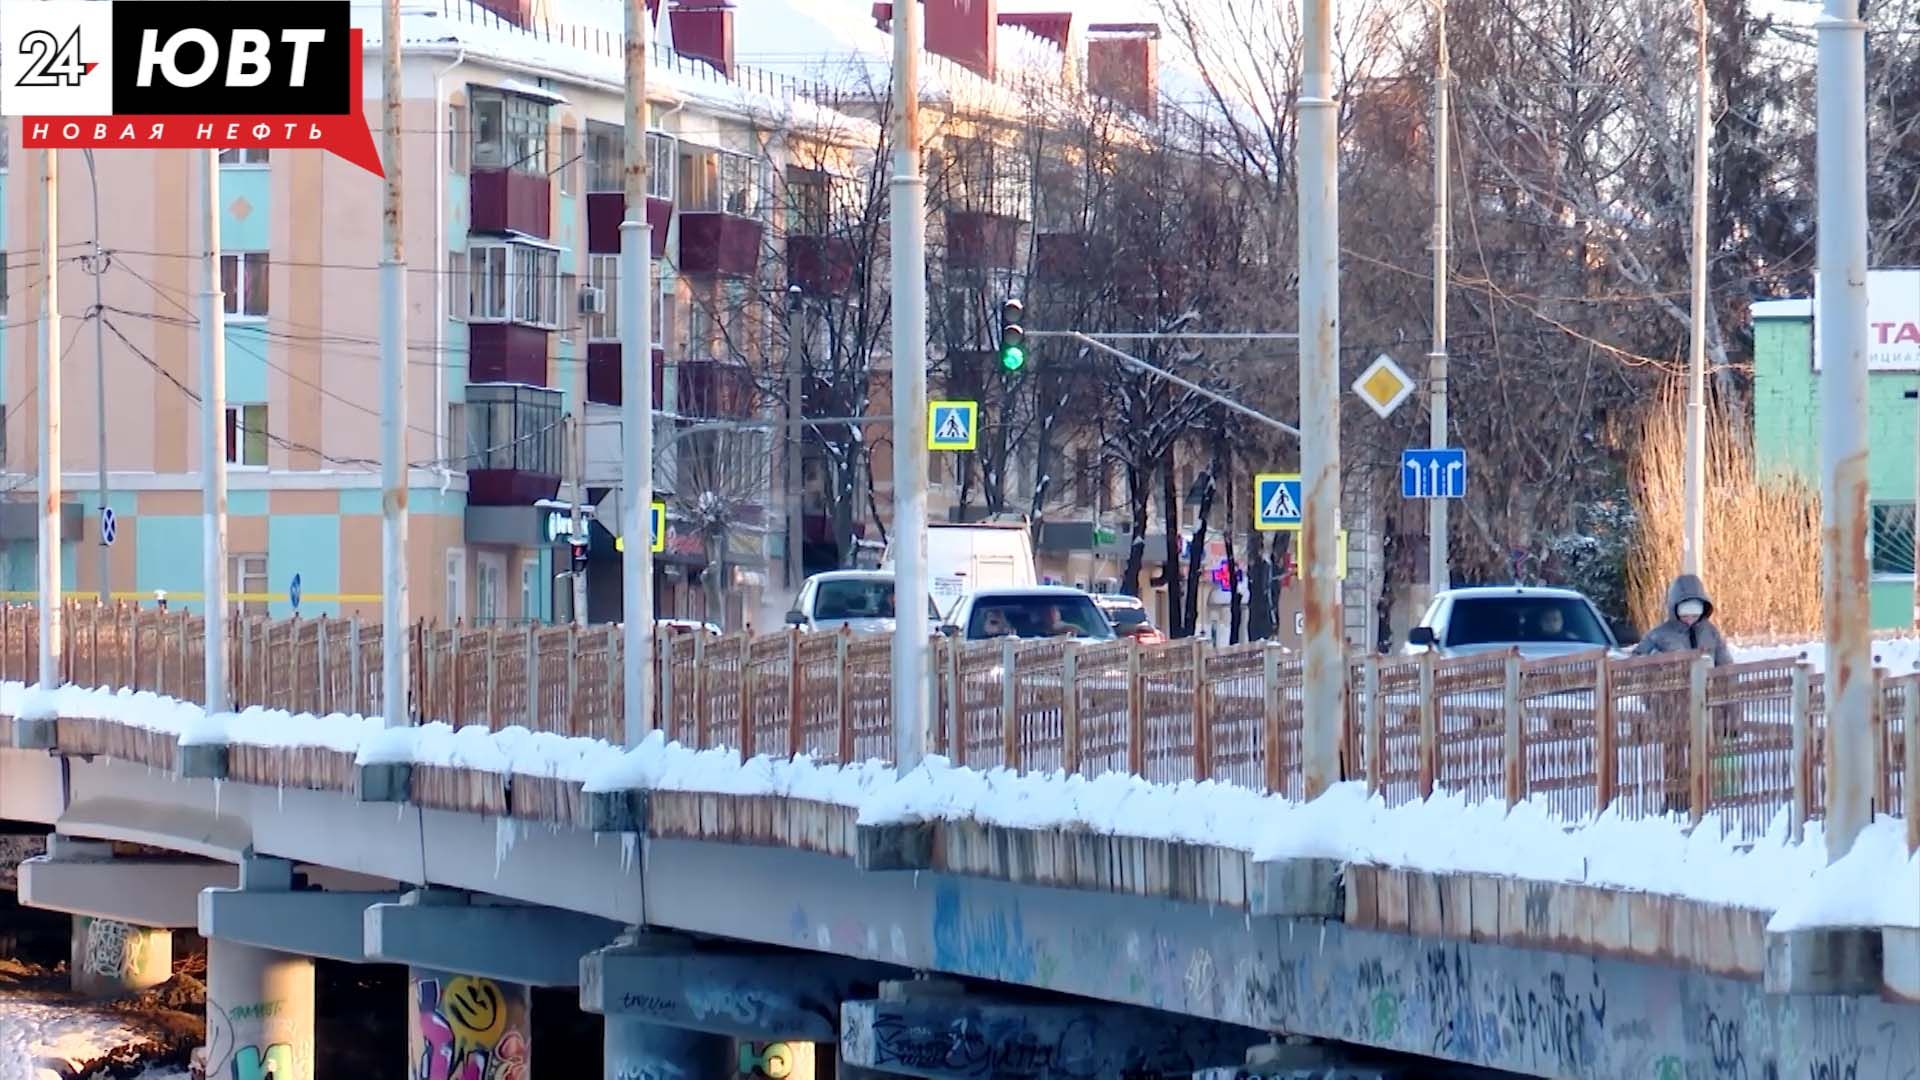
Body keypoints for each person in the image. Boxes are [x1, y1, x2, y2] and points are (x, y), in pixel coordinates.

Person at [1633, 573, 1732, 665]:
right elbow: (1637, 660)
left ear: (1702, 612)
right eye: (1684, 616)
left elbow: (1725, 663)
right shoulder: (1658, 635)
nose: (1690, 620)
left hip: (1706, 682)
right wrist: (1656, 659)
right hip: (1673, 682)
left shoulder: (1711, 632)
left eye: (1695, 616)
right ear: (1675, 612)